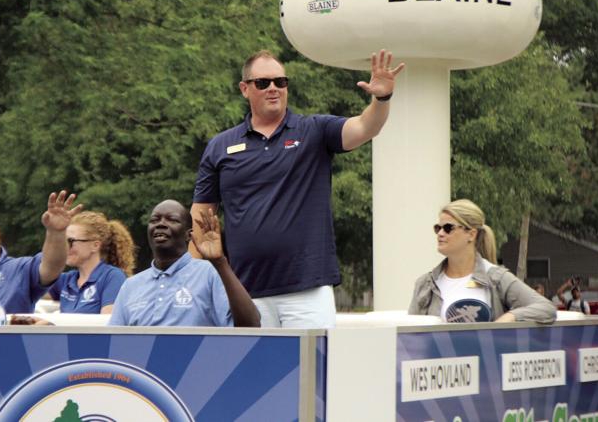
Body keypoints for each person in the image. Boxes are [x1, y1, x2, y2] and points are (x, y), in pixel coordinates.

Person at [192, 49, 405, 328]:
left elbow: (365, 127)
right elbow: (201, 217)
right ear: (245, 89)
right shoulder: (220, 145)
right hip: (245, 291)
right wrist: (191, 280)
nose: (273, 89)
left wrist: (381, 98)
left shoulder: (314, 130)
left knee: (312, 370)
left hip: (307, 291)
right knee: (254, 371)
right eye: (263, 83)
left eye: (281, 82)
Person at [108, 200, 260, 327]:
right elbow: (113, 341)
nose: (161, 224)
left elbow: (250, 326)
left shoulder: (210, 273)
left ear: (189, 235)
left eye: (172, 220)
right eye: (155, 220)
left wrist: (220, 262)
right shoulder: (131, 286)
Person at [408, 199, 556, 324]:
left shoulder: (496, 278)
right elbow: (410, 338)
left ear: (471, 234)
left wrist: (510, 317)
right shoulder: (425, 284)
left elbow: (546, 308)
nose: (440, 233)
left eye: (448, 228)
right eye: (437, 228)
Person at [48, 211, 135, 314]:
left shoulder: (112, 277)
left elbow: (107, 324)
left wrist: (54, 323)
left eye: (71, 241)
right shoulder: (67, 280)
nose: (65, 247)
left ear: (95, 245)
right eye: (63, 241)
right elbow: (29, 289)